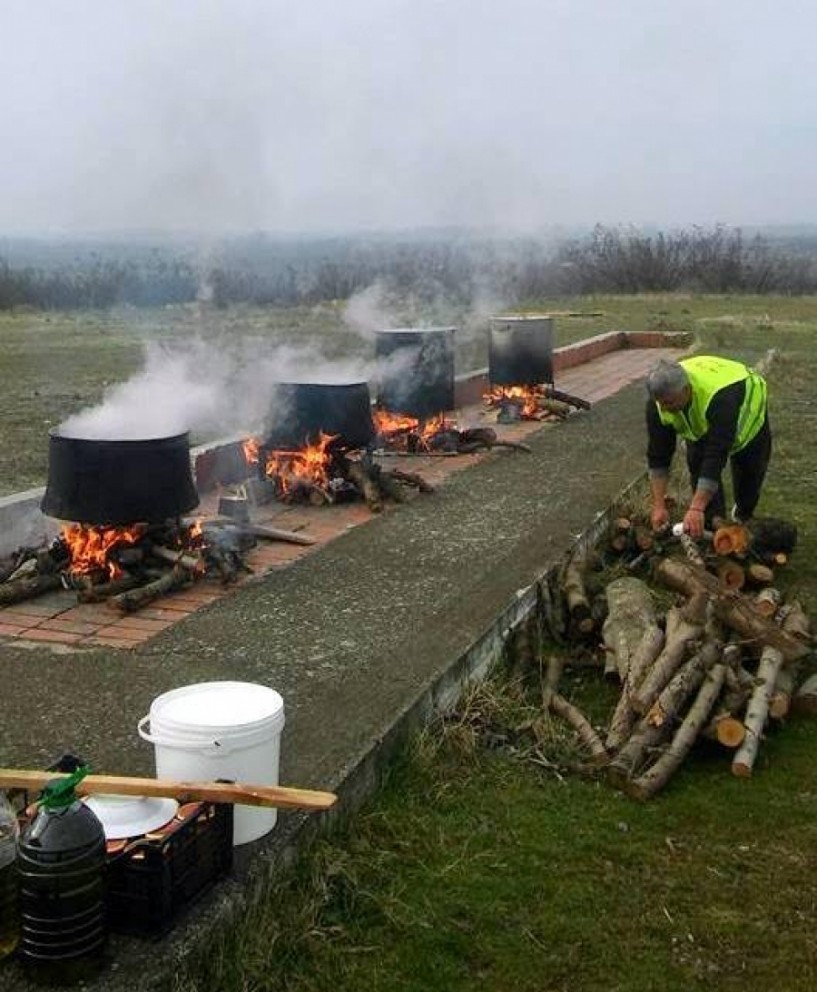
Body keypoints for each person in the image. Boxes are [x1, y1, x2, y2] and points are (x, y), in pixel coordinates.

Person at [645, 355, 771, 538]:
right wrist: (659, 506)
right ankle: (713, 524)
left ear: (686, 390)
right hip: (705, 414)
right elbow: (658, 455)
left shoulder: (721, 399)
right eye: (660, 403)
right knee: (697, 462)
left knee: (749, 473)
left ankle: (743, 516)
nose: (664, 409)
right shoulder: (659, 403)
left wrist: (695, 507)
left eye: (669, 403)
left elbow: (716, 455)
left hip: (747, 409)